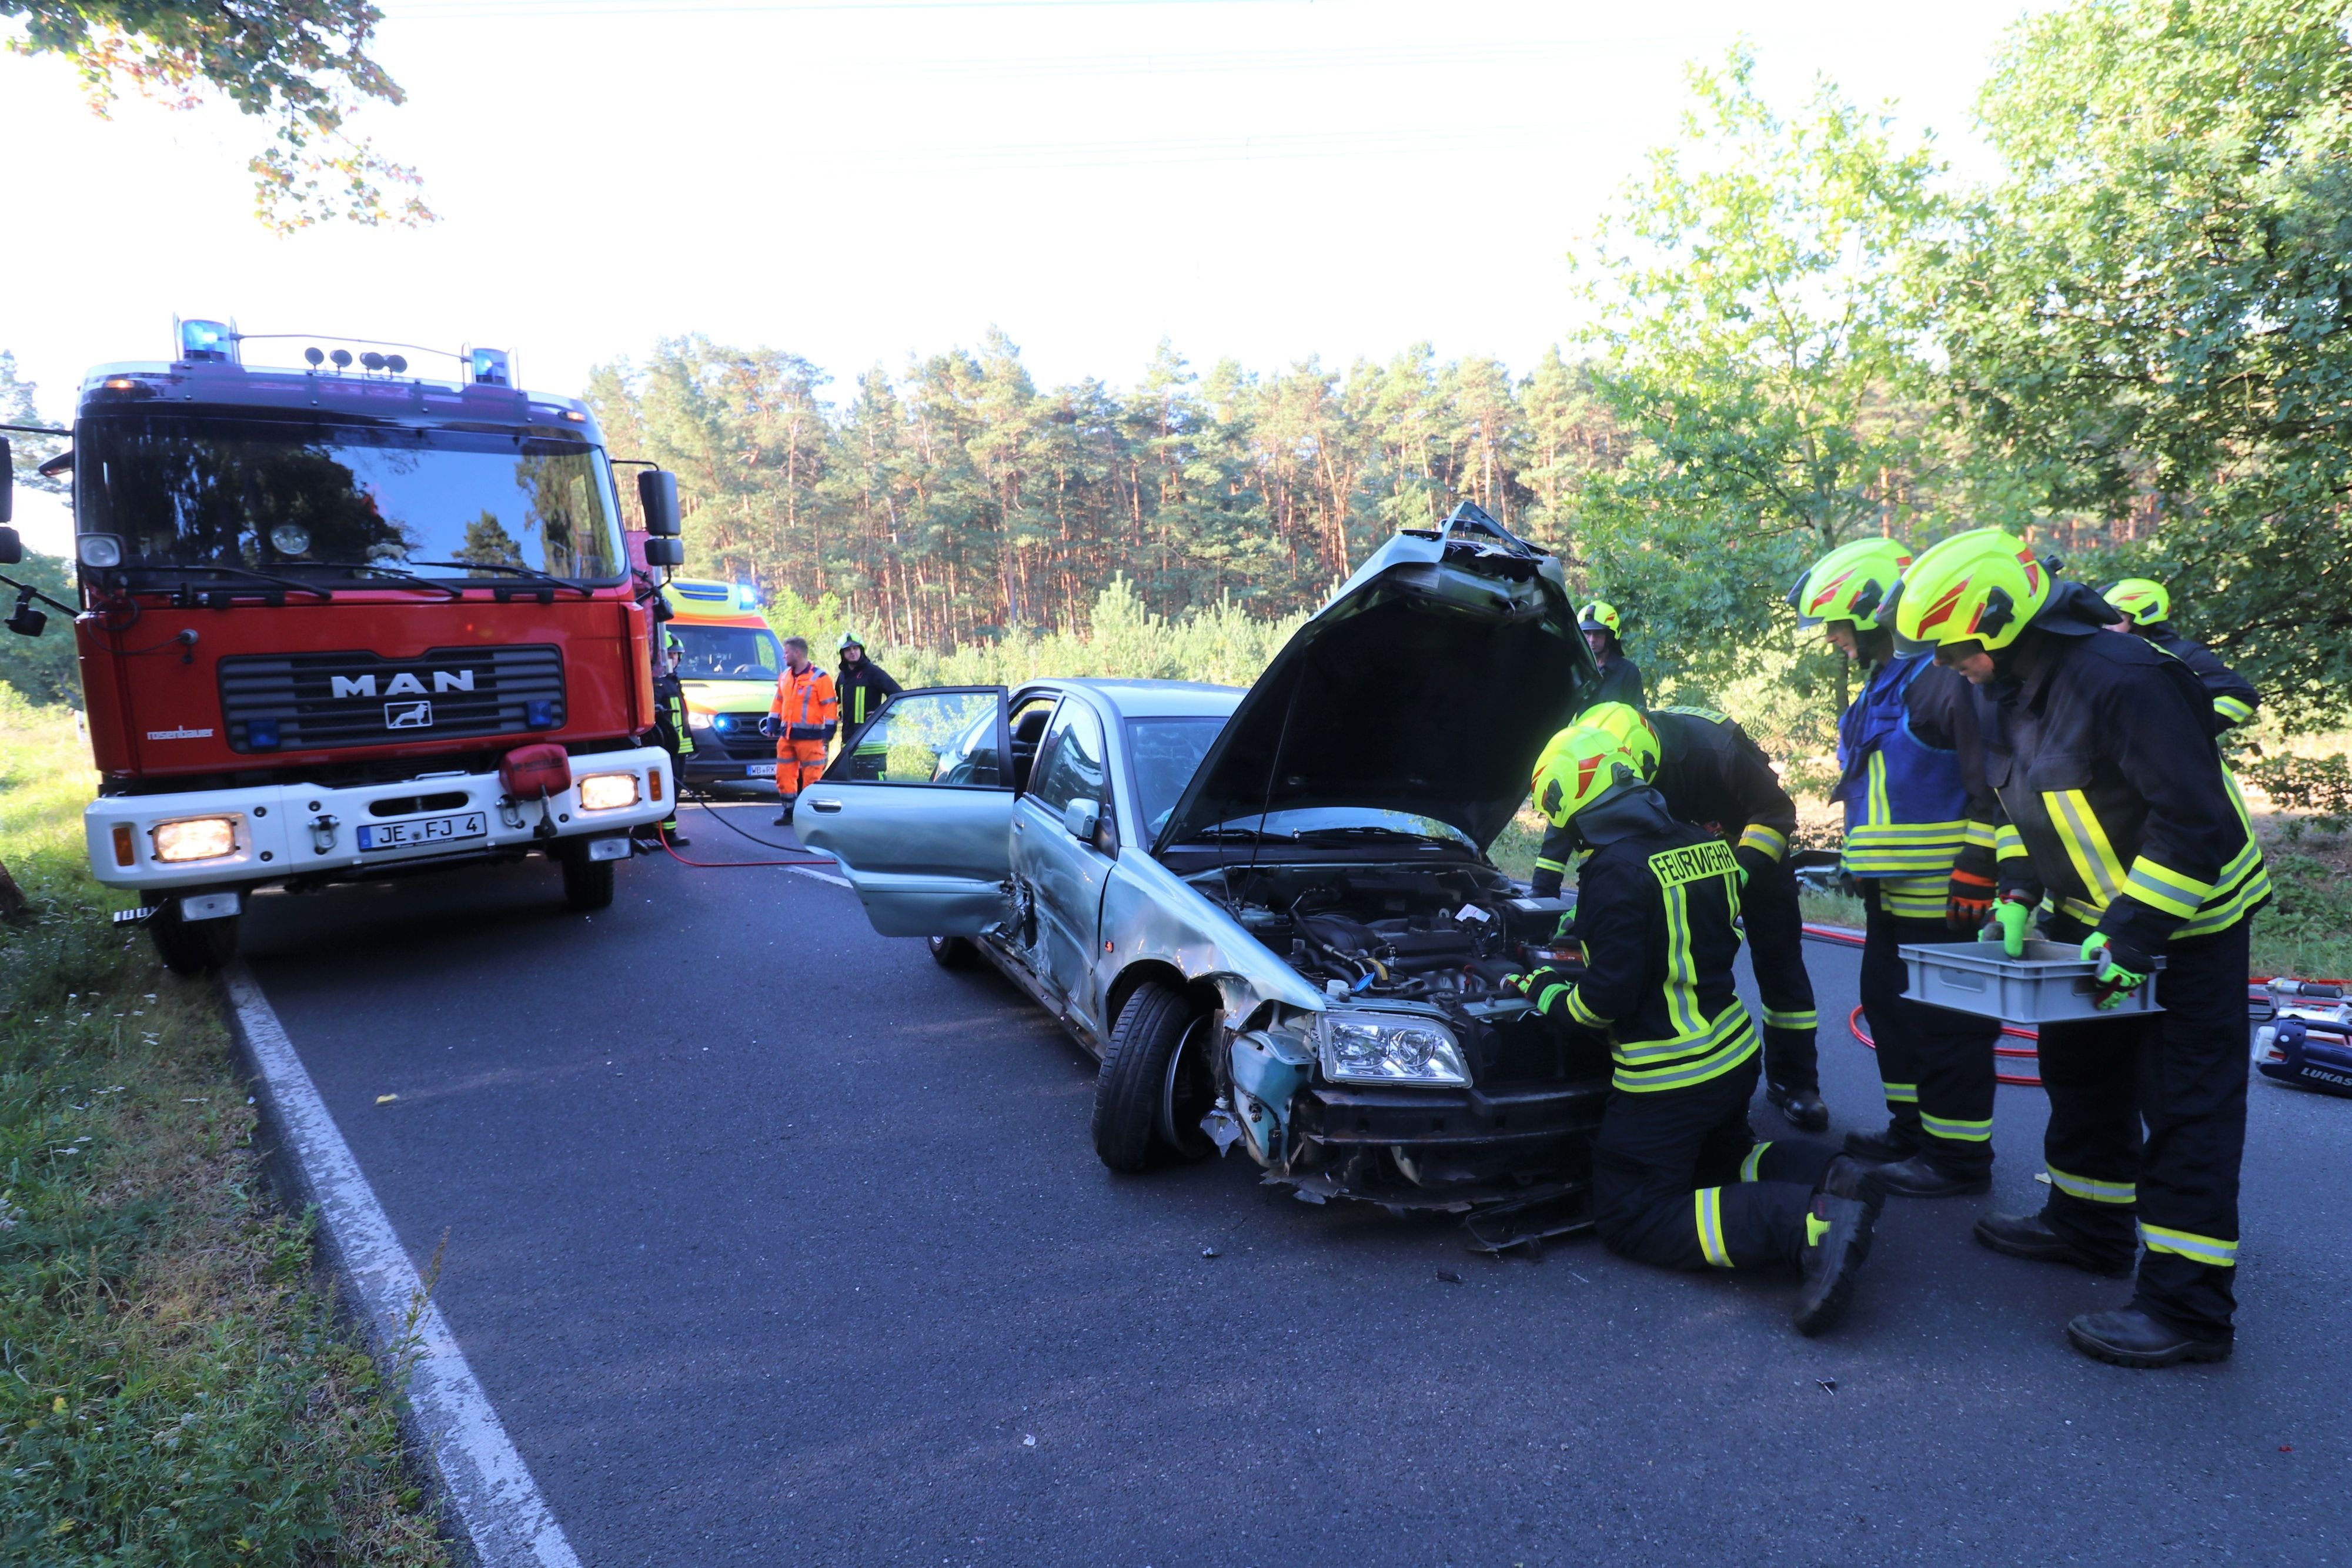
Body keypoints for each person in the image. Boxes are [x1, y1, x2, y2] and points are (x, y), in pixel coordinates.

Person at [1887, 529, 2271, 1368]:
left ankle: (2189, 1307)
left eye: (1954, 645)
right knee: (2082, 1073)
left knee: (2187, 1108)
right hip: (2091, 921)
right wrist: (2020, 890)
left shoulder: (2123, 676)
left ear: (2001, 620)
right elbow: (2020, 805)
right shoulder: (1995, 689)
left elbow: (2192, 820)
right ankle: (2087, 1224)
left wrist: (2137, 931)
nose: (1948, 662)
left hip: (2191, 920)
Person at [1512, 724, 1881, 1336]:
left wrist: (1538, 988)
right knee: (1722, 1159)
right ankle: (1834, 1176)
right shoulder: (1705, 842)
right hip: (1730, 1055)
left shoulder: (1612, 871)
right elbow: (1672, 912)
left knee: (1632, 1214)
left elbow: (1599, 1005)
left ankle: (1809, 1227)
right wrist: (1588, 926)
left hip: (1668, 1076)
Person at [1787, 537, 2002, 1197]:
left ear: (1874, 610)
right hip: (1890, 892)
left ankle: (1958, 1159)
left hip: (1945, 894)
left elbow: (1993, 777)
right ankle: (1912, 1130)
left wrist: (1979, 860)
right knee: (1889, 1007)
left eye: (1837, 624)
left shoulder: (1941, 680)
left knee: (1947, 1027)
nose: (1831, 639)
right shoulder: (1887, 681)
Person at [1532, 701, 1829, 1132]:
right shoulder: (1606, 752)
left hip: (1753, 854)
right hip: (1675, 860)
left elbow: (1775, 812)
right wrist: (1556, 902)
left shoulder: (1716, 747)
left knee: (1779, 963)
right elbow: (1575, 817)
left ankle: (1795, 1083)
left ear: (1649, 757)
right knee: (1666, 957)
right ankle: (1684, 1068)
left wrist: (1737, 873)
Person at [2101, 578, 2261, 731]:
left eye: (2115, 616)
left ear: (2143, 614)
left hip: (2187, 758)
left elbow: (2242, 695)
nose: (2106, 626)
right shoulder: (2114, 659)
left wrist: (2184, 730)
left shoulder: (2184, 656)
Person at [762, 635, 837, 825]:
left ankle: (809, 815)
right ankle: (789, 812)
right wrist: (772, 722)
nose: (784, 656)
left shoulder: (820, 678)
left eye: (786, 652)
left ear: (797, 653)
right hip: (787, 737)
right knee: (784, 776)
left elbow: (829, 705)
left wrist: (829, 730)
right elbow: (778, 701)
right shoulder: (785, 676)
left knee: (812, 778)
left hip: (811, 739)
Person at [646, 634, 693, 848]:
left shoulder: (671, 681)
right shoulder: (656, 684)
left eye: (677, 654)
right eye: (671, 653)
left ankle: (657, 831)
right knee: (666, 791)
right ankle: (665, 833)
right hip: (667, 749)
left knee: (672, 791)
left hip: (678, 748)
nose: (675, 658)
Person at [834, 631, 902, 749]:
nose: (852, 652)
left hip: (872, 743)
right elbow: (840, 702)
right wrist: (841, 714)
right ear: (842, 654)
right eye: (848, 650)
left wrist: (883, 715)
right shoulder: (842, 677)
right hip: (849, 743)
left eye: (856, 648)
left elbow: (898, 695)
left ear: (862, 650)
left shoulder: (873, 672)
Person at [1578, 601, 1645, 707]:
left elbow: (1638, 716)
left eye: (1598, 633)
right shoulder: (1575, 671)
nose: (1592, 640)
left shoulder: (1628, 672)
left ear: (1610, 637)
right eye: (1587, 633)